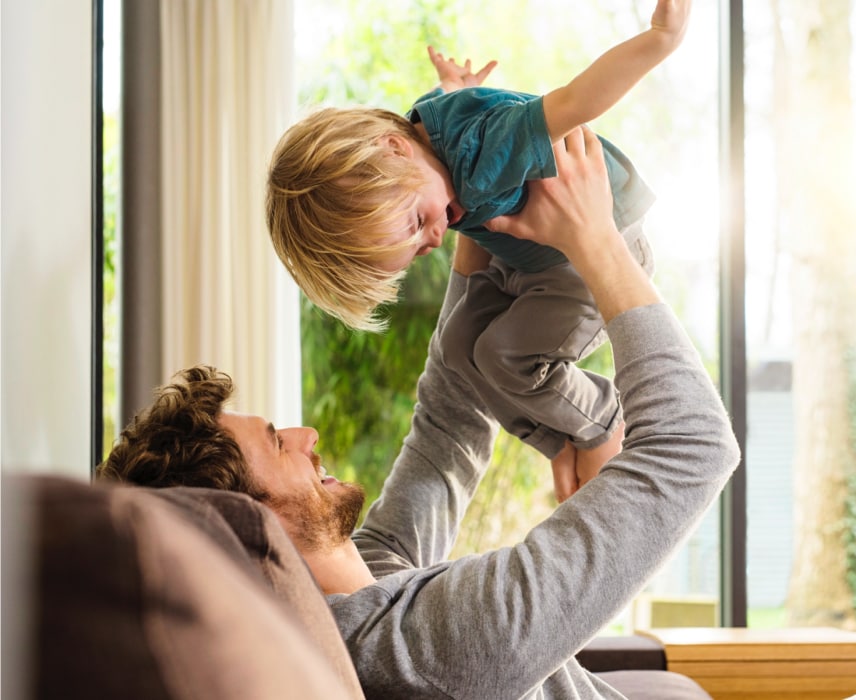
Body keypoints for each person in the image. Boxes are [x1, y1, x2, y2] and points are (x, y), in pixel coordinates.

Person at [99, 125, 741, 699]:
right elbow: (693, 449)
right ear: (248, 523)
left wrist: (468, 215)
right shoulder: (427, 653)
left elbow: (449, 416)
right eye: (275, 443)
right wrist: (598, 241)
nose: (306, 434)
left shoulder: (367, 581)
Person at [265, 0, 690, 502]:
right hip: (529, 263)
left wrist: (659, 39)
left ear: (392, 149)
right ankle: (558, 437)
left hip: (587, 261)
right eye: (419, 250)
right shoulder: (422, 140)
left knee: (502, 355)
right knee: (457, 349)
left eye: (420, 223)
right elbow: (459, 112)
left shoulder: (480, 155)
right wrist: (460, 90)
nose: (438, 238)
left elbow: (575, 101)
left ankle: (601, 420)